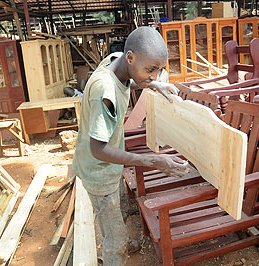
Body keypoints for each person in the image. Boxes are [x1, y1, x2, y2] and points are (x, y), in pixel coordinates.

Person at [72, 26, 189, 266]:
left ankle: (121, 237)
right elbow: (98, 149)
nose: (154, 76)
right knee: (114, 241)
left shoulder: (116, 61)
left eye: (158, 70)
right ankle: (117, 249)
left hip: (110, 167)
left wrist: (156, 85)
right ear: (131, 57)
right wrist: (152, 161)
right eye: (150, 70)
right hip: (99, 171)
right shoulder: (104, 92)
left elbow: (128, 79)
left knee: (119, 213)